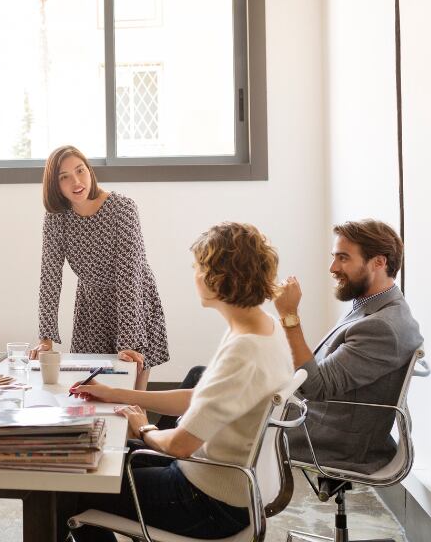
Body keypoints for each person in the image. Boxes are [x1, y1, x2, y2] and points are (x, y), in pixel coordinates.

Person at [67, 222, 294, 541]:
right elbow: (198, 397)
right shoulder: (261, 327)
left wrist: (145, 428)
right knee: (104, 455)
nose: (195, 275)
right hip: (226, 487)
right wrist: (116, 393)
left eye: (198, 267)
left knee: (70, 488)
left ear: (219, 279)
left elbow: (179, 445)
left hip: (206, 502)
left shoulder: (245, 350)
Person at [272, 219, 423, 472]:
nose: (332, 267)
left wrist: (290, 317)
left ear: (379, 262)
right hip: (319, 417)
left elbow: (314, 387)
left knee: (220, 408)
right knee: (207, 380)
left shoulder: (382, 326)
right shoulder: (371, 306)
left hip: (331, 438)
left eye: (343, 258)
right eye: (334, 257)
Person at [30, 145, 169, 389]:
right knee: (88, 393)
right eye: (64, 177)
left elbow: (129, 277)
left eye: (80, 171)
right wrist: (46, 339)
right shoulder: (56, 218)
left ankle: (144, 428)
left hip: (133, 305)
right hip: (91, 308)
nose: (76, 181)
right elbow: (50, 277)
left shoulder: (123, 209)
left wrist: (128, 340)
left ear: (89, 171)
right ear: (55, 185)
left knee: (134, 399)